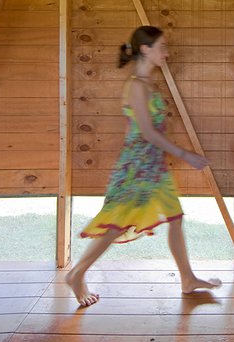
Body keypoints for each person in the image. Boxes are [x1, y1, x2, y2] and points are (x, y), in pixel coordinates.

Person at [65, 25, 222, 307]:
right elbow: (148, 133)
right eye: (162, 47)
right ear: (146, 49)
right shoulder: (136, 86)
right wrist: (185, 154)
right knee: (116, 224)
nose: (167, 52)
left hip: (155, 166)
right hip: (137, 167)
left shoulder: (149, 84)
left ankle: (187, 278)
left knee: (175, 217)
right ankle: (76, 274)